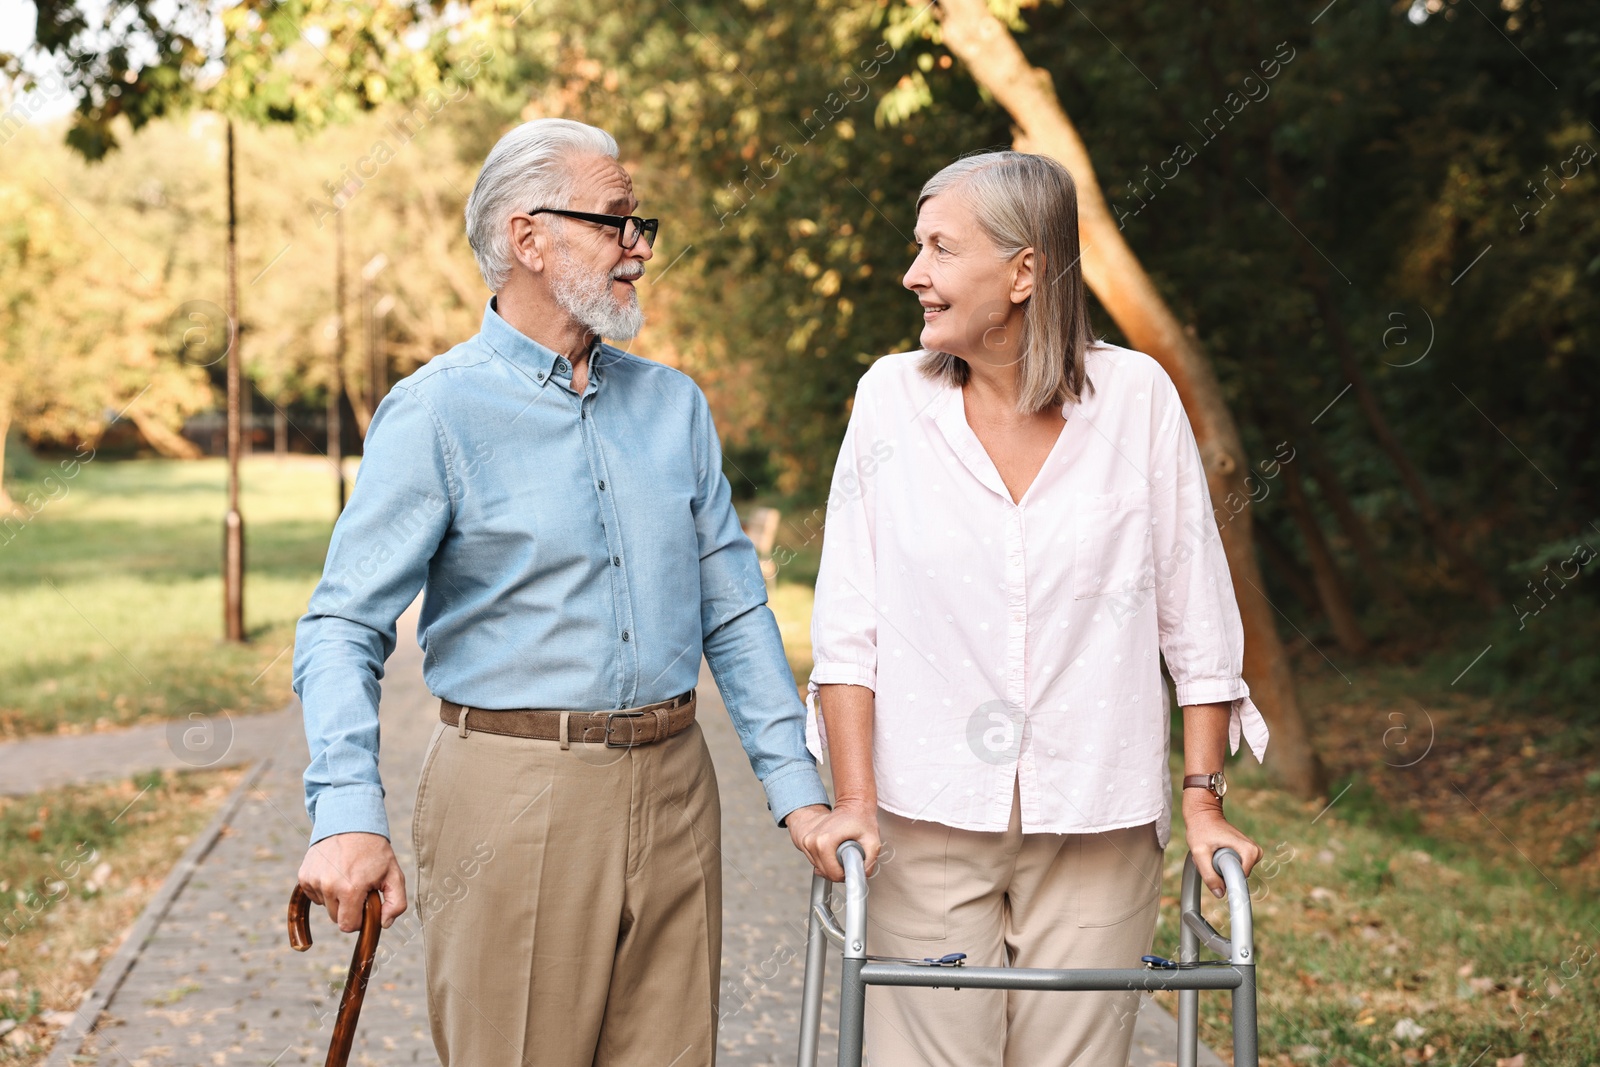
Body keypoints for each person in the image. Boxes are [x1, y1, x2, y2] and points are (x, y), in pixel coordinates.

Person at [292, 117, 855, 1067]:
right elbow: (342, 623)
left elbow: (734, 604)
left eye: (640, 224)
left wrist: (798, 791)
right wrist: (347, 810)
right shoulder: (437, 411)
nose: (638, 246)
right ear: (528, 238)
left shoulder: (673, 405)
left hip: (679, 783)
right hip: (513, 791)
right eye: (616, 221)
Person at [805, 150, 1270, 1067]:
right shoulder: (889, 401)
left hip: (1098, 816)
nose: (914, 274)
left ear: (1024, 272)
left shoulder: (1135, 398)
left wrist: (1204, 801)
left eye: (940, 248)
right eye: (917, 248)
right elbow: (847, 628)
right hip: (923, 813)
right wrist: (853, 801)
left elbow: (1197, 613)